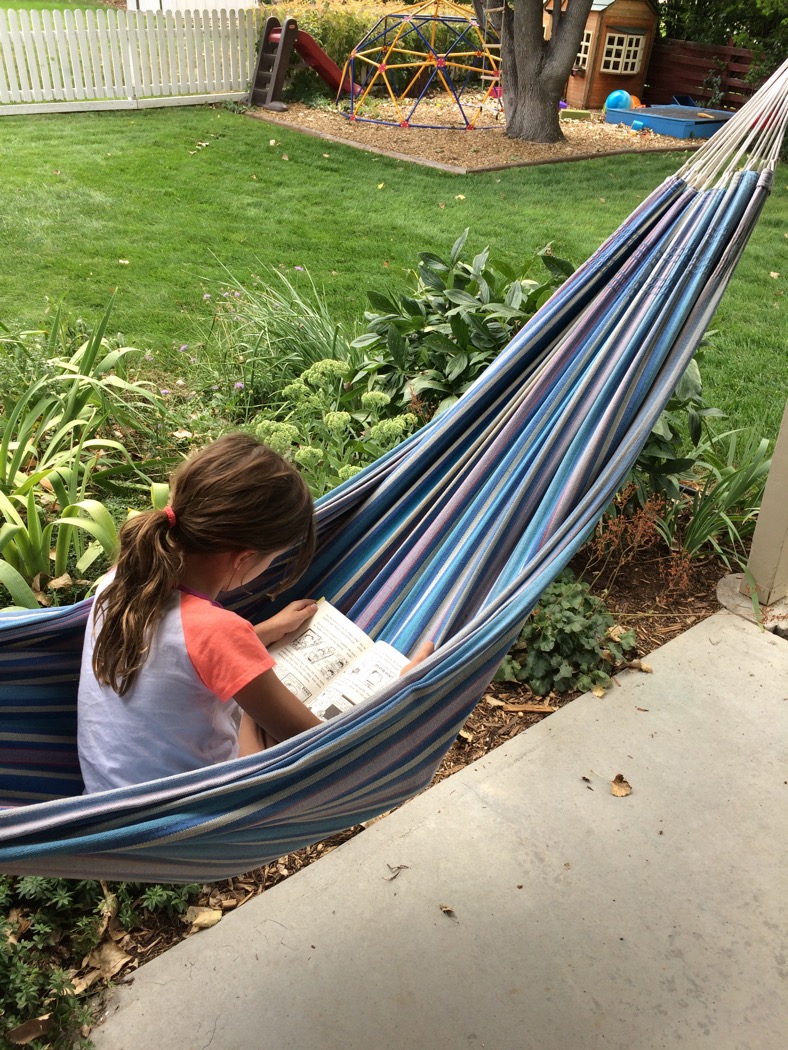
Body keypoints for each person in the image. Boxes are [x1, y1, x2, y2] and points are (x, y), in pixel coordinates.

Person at [77, 433, 433, 793]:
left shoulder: (124, 578)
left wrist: (264, 630)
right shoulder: (218, 632)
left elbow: (178, 653)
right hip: (184, 821)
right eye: (273, 559)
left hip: (108, 799)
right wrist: (403, 690)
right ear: (245, 558)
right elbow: (322, 744)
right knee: (294, 749)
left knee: (247, 714)